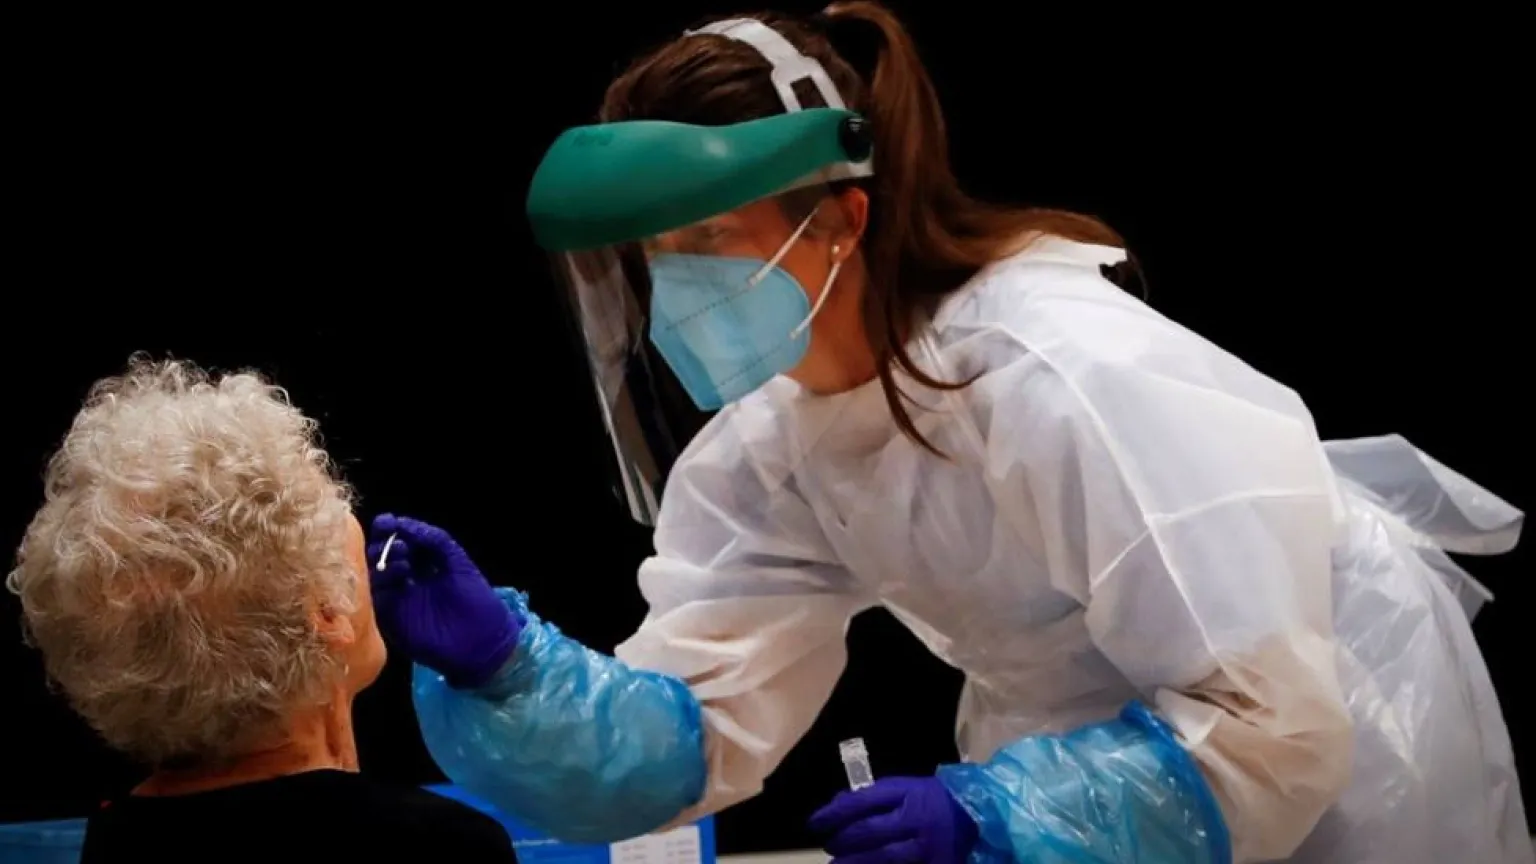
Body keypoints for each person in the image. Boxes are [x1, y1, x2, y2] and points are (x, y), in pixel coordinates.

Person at [371, 4, 1531, 863]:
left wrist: (999, 820)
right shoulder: (773, 449)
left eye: (711, 238)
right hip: (1117, 760)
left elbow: (1271, 728)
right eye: (652, 256)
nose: (676, 288)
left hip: (1340, 742)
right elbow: (699, 736)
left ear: (842, 217)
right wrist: (508, 671)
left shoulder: (1064, 376)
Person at [6, 358, 516, 864]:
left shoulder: (117, 841)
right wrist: (512, 667)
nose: (349, 513)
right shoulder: (442, 847)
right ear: (326, 613)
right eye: (326, 499)